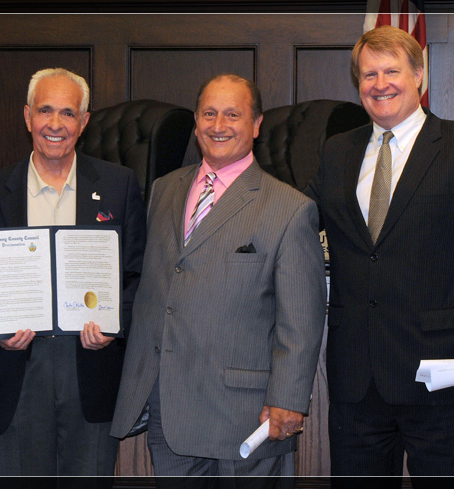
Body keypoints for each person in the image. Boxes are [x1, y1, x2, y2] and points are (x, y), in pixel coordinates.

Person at [110, 73, 327, 485]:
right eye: (209, 113)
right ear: (195, 121)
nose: (218, 125)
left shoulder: (290, 209)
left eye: (232, 114)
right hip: (168, 408)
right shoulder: (163, 190)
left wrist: (288, 400)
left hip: (244, 416)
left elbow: (300, 321)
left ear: (257, 124)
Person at [304, 25, 454, 485]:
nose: (380, 83)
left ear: (420, 76)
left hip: (445, 372)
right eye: (368, 74)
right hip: (357, 379)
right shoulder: (337, 151)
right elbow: (299, 219)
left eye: (392, 71)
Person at [0, 68, 146, 480]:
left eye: (68, 112)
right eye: (45, 110)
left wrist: (116, 326)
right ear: (27, 117)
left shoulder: (119, 186)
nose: (55, 124)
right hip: (15, 374)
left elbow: (137, 275)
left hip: (92, 371)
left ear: (84, 121)